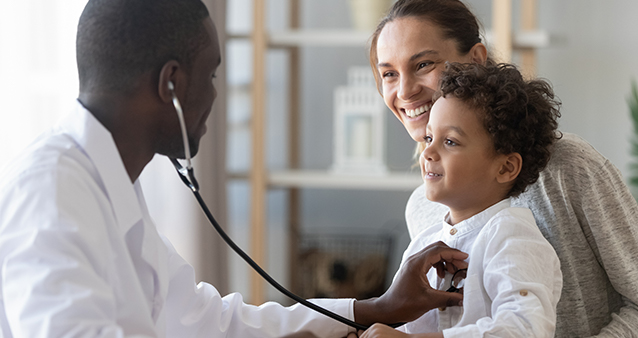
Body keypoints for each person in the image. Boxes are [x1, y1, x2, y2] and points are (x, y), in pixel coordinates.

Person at [0, 0, 469, 337]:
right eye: (211, 75)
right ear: (172, 84)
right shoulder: (50, 193)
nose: (216, 96)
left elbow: (213, 321)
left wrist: (376, 308)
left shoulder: (110, 187)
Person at [363, 0, 638, 337]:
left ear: (476, 59)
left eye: (423, 64)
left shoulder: (568, 168)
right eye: (389, 73)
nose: (404, 90)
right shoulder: (425, 208)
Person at [368, 61, 564, 337]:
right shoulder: (423, 244)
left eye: (450, 142)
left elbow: (524, 329)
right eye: (428, 138)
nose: (427, 153)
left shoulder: (512, 237)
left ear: (506, 167)